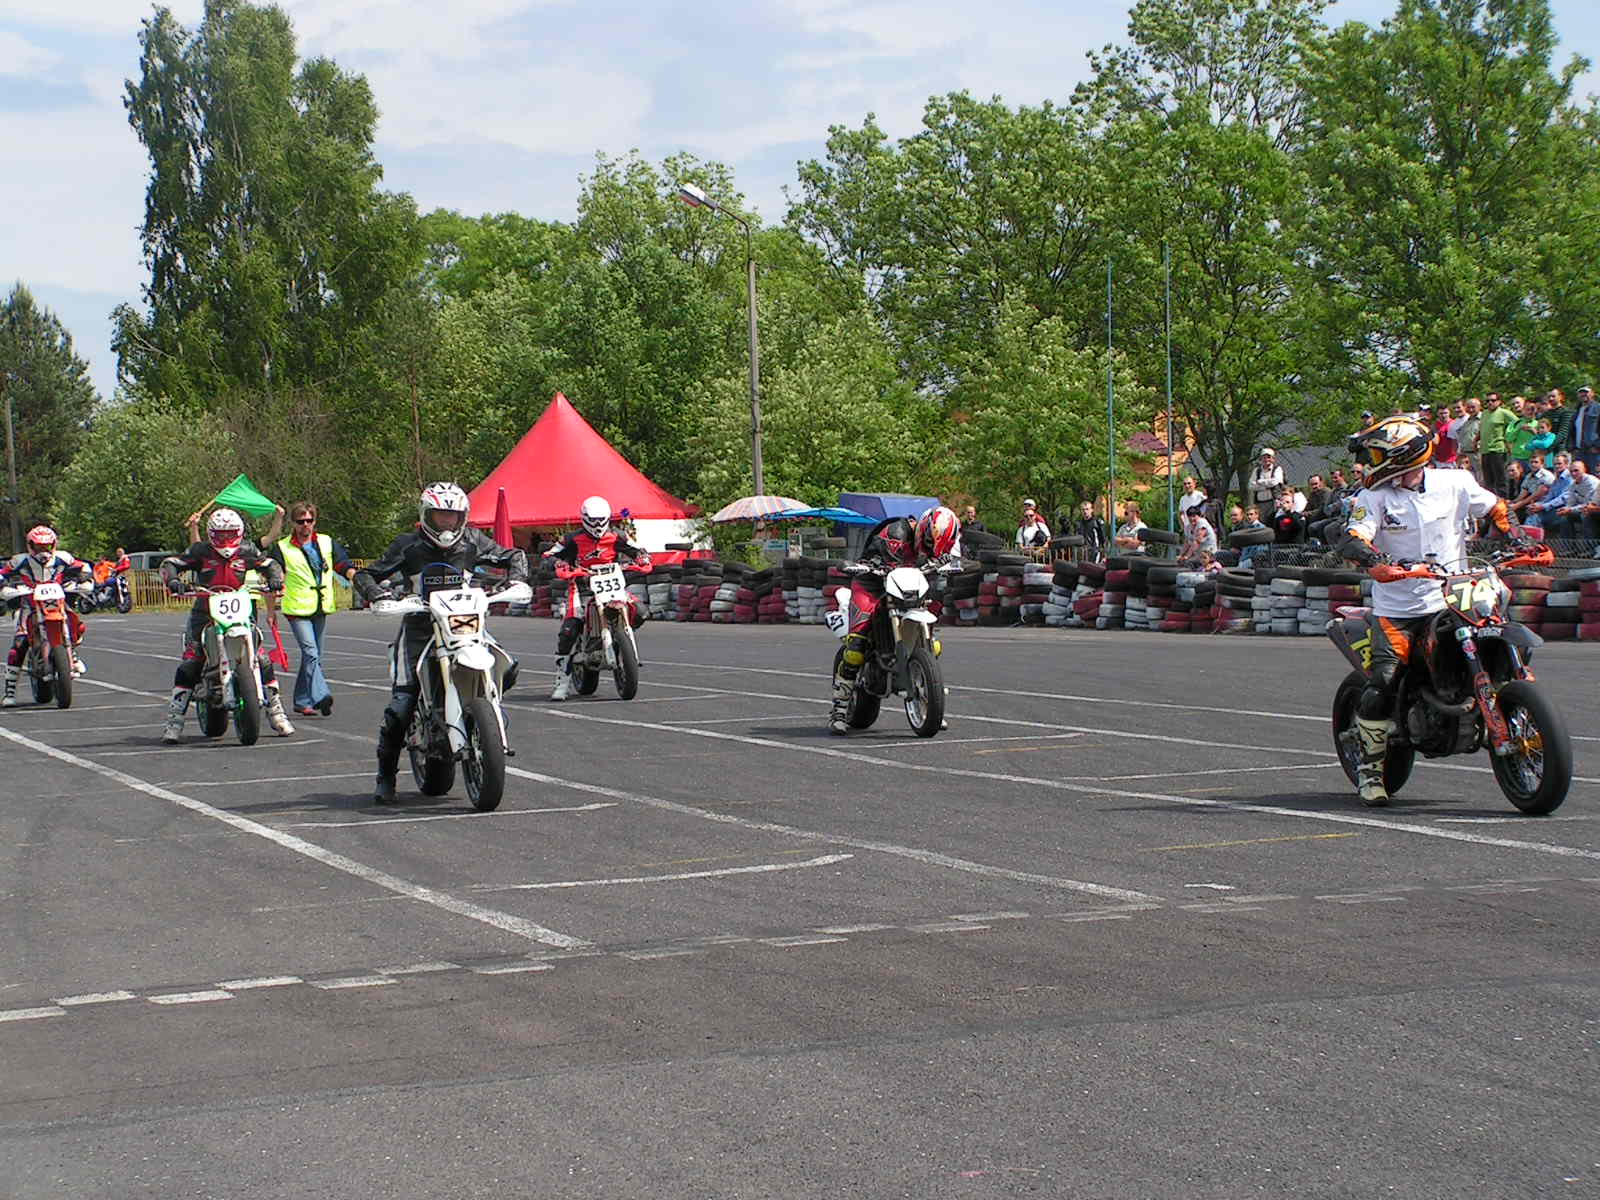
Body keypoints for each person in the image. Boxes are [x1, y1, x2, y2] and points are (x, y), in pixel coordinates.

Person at [1338, 415, 1514, 806]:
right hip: (1399, 610)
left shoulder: (1456, 482)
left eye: (1378, 455)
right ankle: (1370, 770)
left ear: (1404, 455)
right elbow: (1353, 537)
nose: (1371, 462)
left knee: (1500, 632)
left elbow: (1497, 508)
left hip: (1455, 596)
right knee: (1384, 679)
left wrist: (1518, 537)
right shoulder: (1373, 497)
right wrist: (1377, 562)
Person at [354, 483, 529, 804]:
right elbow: (366, 575)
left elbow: (513, 554)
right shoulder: (408, 545)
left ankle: (483, 720)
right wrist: (376, 593)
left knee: (508, 666)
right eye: (440, 516)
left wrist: (516, 578)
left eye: (453, 516)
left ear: (463, 517)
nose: (447, 522)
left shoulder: (473, 540)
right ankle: (386, 775)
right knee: (402, 704)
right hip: (420, 627)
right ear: (426, 515)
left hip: (465, 625)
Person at [157, 509, 294, 742]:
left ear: (239, 533)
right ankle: (174, 720)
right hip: (205, 612)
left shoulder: (247, 550)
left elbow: (270, 563)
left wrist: (274, 579)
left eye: (230, 534)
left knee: (262, 658)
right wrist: (173, 581)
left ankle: (276, 711)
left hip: (240, 611)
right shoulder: (200, 551)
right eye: (220, 535)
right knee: (191, 661)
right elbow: (171, 563)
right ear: (211, 534)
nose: (225, 540)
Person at [829, 505, 959, 734]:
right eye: (929, 543)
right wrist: (868, 565)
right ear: (923, 529)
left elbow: (950, 559)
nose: (931, 549)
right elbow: (875, 557)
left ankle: (931, 704)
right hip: (872, 584)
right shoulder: (894, 532)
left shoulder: (945, 539)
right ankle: (839, 710)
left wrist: (952, 564)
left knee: (933, 639)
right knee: (856, 645)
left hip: (907, 587)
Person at [546, 495, 651, 702]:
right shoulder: (572, 539)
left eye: (601, 520)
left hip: (612, 583)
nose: (597, 525)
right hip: (582, 586)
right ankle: (562, 682)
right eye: (593, 521)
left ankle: (620, 640)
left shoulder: (618, 535)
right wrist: (559, 564)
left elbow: (638, 550)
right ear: (584, 519)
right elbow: (550, 555)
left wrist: (643, 558)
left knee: (640, 611)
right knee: (569, 629)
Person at [269, 501, 358, 718]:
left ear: (315, 521)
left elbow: (342, 564)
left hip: (320, 605)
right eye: (301, 521)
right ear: (293, 523)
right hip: (297, 608)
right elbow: (272, 578)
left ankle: (301, 701)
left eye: (309, 520)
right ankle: (321, 695)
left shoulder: (326, 542)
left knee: (314, 655)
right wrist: (271, 611)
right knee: (310, 653)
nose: (305, 525)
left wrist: (358, 578)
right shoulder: (282, 547)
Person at [1, 526, 93, 705]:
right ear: (30, 545)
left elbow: (83, 567)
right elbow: (2, 573)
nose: (43, 551)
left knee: (76, 624)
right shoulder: (19, 561)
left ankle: (72, 653)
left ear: (54, 545)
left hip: (56, 601)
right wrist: (4, 586)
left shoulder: (63, 557)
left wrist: (84, 578)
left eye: (47, 546)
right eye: (39, 546)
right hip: (30, 604)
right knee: (19, 643)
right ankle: (9, 692)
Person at [1477, 392, 1513, 494]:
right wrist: (1476, 440)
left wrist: (1509, 438)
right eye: (1487, 401)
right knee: (1488, 480)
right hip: (1484, 450)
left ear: (1499, 401)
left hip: (1498, 450)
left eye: (1493, 400)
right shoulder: (1484, 413)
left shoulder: (1504, 413)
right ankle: (1491, 500)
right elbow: (1482, 429)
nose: (1490, 403)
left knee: (1500, 478)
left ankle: (1503, 499)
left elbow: (1518, 423)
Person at [1572, 386, 1600, 473]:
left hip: (1593, 451)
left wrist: (1597, 446)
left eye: (1586, 392)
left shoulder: (1598, 408)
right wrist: (1572, 448)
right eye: (1581, 392)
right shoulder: (1577, 410)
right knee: (1579, 477)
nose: (1583, 394)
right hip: (1579, 451)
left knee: (1595, 477)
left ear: (1592, 394)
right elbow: (1573, 430)